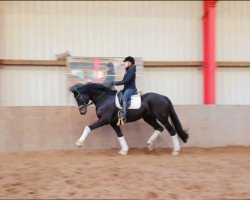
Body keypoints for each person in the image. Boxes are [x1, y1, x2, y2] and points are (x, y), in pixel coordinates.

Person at [112, 56, 137, 123]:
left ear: (130, 63)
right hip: (126, 88)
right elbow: (124, 80)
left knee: (124, 98)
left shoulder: (131, 69)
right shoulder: (128, 70)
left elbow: (126, 81)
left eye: (125, 62)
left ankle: (124, 117)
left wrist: (116, 83)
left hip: (131, 89)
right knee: (119, 94)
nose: (124, 64)